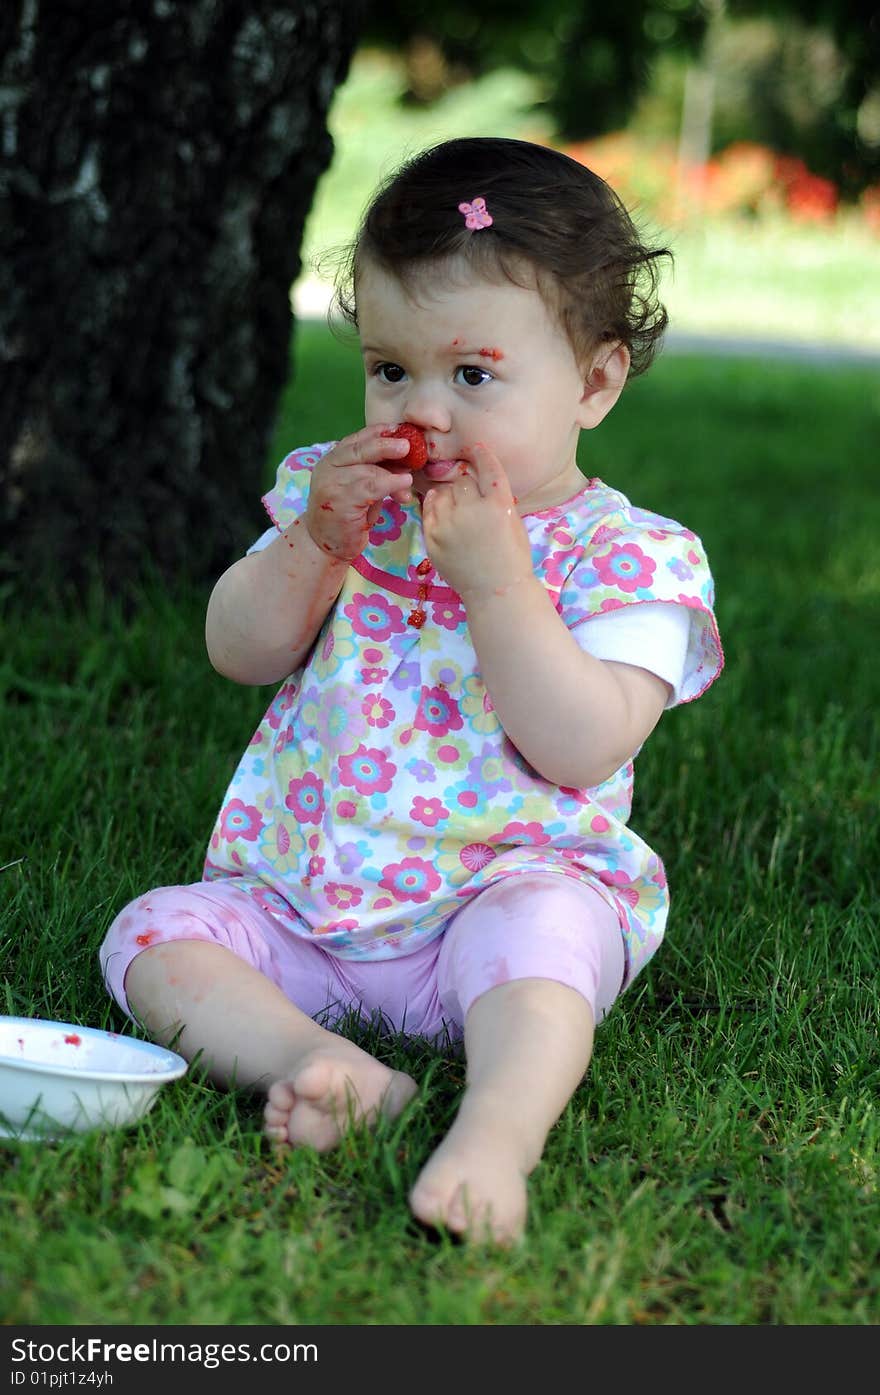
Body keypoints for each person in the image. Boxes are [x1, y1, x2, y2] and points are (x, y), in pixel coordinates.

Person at [100, 137, 723, 1244]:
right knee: (152, 937)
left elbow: (581, 744)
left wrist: (496, 580)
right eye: (391, 369)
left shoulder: (627, 558)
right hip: (305, 898)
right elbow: (236, 649)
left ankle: (495, 1132)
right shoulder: (341, 503)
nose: (421, 410)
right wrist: (311, 544)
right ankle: (322, 1063)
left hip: (499, 898)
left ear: (594, 382)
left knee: (544, 953)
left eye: (472, 375)